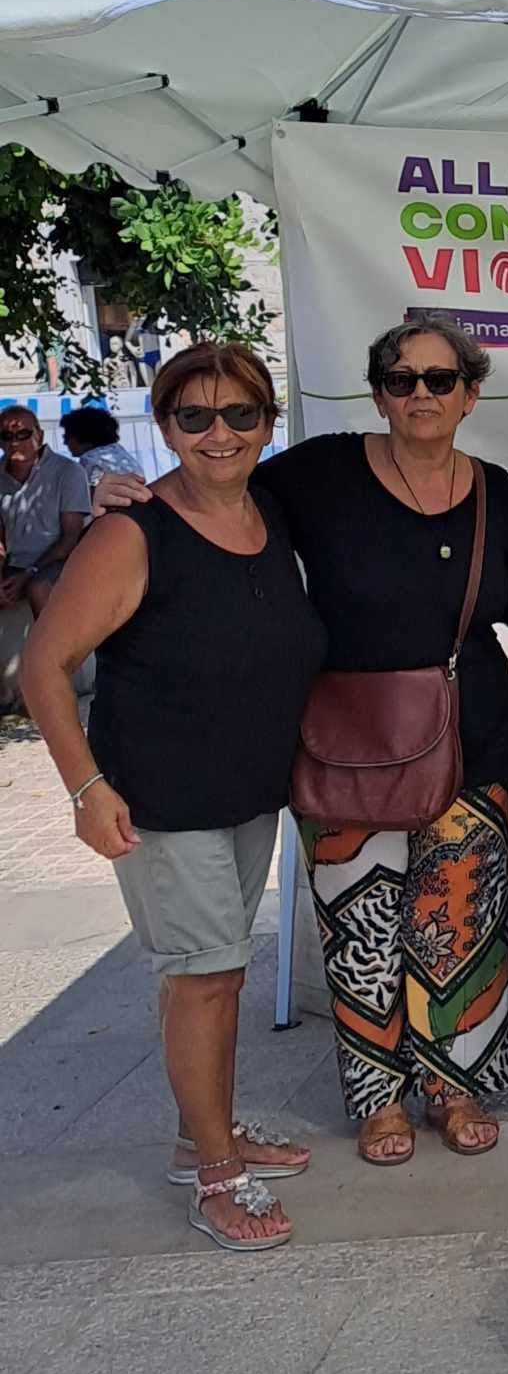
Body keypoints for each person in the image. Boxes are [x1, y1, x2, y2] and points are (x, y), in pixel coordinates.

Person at [97, 315, 508, 1164]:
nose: (421, 394)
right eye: (402, 380)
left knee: (461, 923)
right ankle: (380, 1099)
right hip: (347, 741)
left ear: (470, 394)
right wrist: (128, 498)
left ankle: (455, 1087)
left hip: (472, 735)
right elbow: (213, 494)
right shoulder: (319, 474)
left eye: (440, 380)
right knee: (361, 927)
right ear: (378, 395)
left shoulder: (489, 487)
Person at [21, 345, 324, 1251]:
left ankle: (205, 1134)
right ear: (165, 427)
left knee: (215, 973)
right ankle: (216, 1176)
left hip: (247, 792)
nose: (218, 434)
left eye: (239, 415)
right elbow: (43, 665)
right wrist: (85, 787)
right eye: (194, 417)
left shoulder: (271, 510)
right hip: (162, 799)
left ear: (268, 423)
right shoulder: (132, 532)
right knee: (204, 979)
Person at [0, 407, 91, 617]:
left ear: (39, 436)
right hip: (14, 564)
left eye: (23, 434)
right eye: (7, 436)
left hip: (59, 561)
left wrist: (29, 573)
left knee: (39, 588)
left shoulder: (68, 471)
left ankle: (58, 640)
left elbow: (71, 537)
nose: (14, 442)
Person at [60, 405, 147, 489]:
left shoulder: (89, 460)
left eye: (67, 437)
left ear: (84, 437)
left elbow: (85, 495)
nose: (65, 443)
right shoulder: (120, 452)